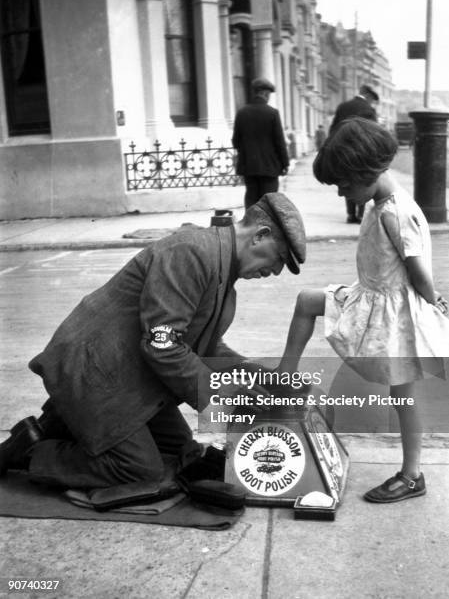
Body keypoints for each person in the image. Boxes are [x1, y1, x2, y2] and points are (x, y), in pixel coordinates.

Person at [0, 193, 306, 493]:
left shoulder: (223, 274)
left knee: (179, 452)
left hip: (128, 376)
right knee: (140, 469)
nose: (276, 271)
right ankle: (29, 452)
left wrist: (254, 374)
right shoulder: (193, 252)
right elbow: (163, 344)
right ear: (260, 235)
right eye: (279, 258)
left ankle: (63, 424)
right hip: (94, 373)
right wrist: (221, 396)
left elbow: (206, 347)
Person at [278, 117, 449, 503]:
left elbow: (418, 269)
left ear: (367, 171)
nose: (342, 193)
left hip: (394, 315)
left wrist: (433, 298)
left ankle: (412, 475)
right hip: (370, 296)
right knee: (307, 301)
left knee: (403, 396)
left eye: (345, 184)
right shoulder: (379, 202)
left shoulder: (396, 211)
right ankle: (283, 380)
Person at [232, 77, 290, 209]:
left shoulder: (242, 113)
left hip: (249, 166)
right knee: (269, 201)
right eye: (268, 94)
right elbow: (279, 142)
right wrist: (285, 163)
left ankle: (251, 228)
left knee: (252, 199)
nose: (268, 97)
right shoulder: (272, 113)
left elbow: (236, 141)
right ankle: (267, 228)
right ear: (265, 93)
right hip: (270, 167)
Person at [329, 84, 380, 224]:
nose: (372, 102)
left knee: (346, 180)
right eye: (372, 99)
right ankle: (361, 214)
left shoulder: (343, 106)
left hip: (343, 152)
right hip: (361, 153)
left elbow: (333, 129)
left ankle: (350, 215)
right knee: (361, 180)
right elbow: (374, 133)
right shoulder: (368, 109)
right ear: (368, 96)